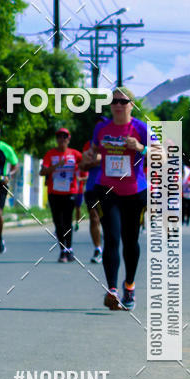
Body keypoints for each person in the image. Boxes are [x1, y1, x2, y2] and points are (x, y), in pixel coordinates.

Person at [81, 87, 156, 311]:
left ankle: (129, 286)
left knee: (130, 240)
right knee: (112, 238)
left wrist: (141, 148)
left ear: (132, 104)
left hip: (135, 191)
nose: (118, 105)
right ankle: (112, 289)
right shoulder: (102, 127)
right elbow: (94, 152)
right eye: (114, 101)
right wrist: (90, 157)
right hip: (107, 189)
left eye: (123, 102)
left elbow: (161, 154)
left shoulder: (141, 128)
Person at [40, 128, 82, 263]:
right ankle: (63, 250)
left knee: (67, 222)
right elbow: (42, 172)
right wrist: (57, 165)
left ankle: (69, 249)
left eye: (64, 137)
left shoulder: (75, 154)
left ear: (68, 139)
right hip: (54, 192)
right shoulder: (50, 154)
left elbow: (85, 164)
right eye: (59, 137)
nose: (62, 140)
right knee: (58, 223)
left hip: (70, 192)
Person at [81, 138, 103, 263]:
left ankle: (112, 248)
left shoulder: (116, 143)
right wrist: (95, 162)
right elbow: (83, 165)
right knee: (94, 218)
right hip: (92, 187)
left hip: (111, 188)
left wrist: (100, 160)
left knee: (109, 221)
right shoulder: (89, 145)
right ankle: (98, 249)